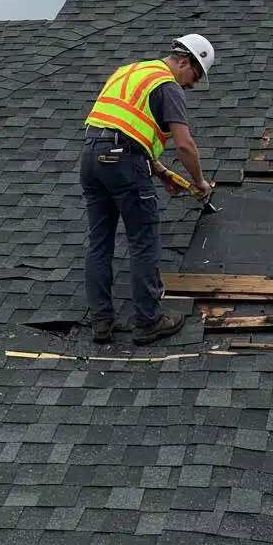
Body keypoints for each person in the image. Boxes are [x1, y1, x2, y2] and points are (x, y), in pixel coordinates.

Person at [80, 34, 214, 345]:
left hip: (91, 159)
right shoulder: (167, 85)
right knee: (143, 239)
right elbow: (185, 144)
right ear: (183, 62)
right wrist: (199, 181)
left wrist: (162, 172)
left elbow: (124, 129)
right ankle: (148, 321)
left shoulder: (128, 72)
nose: (190, 85)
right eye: (194, 77)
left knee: (99, 241)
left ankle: (101, 322)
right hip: (124, 161)